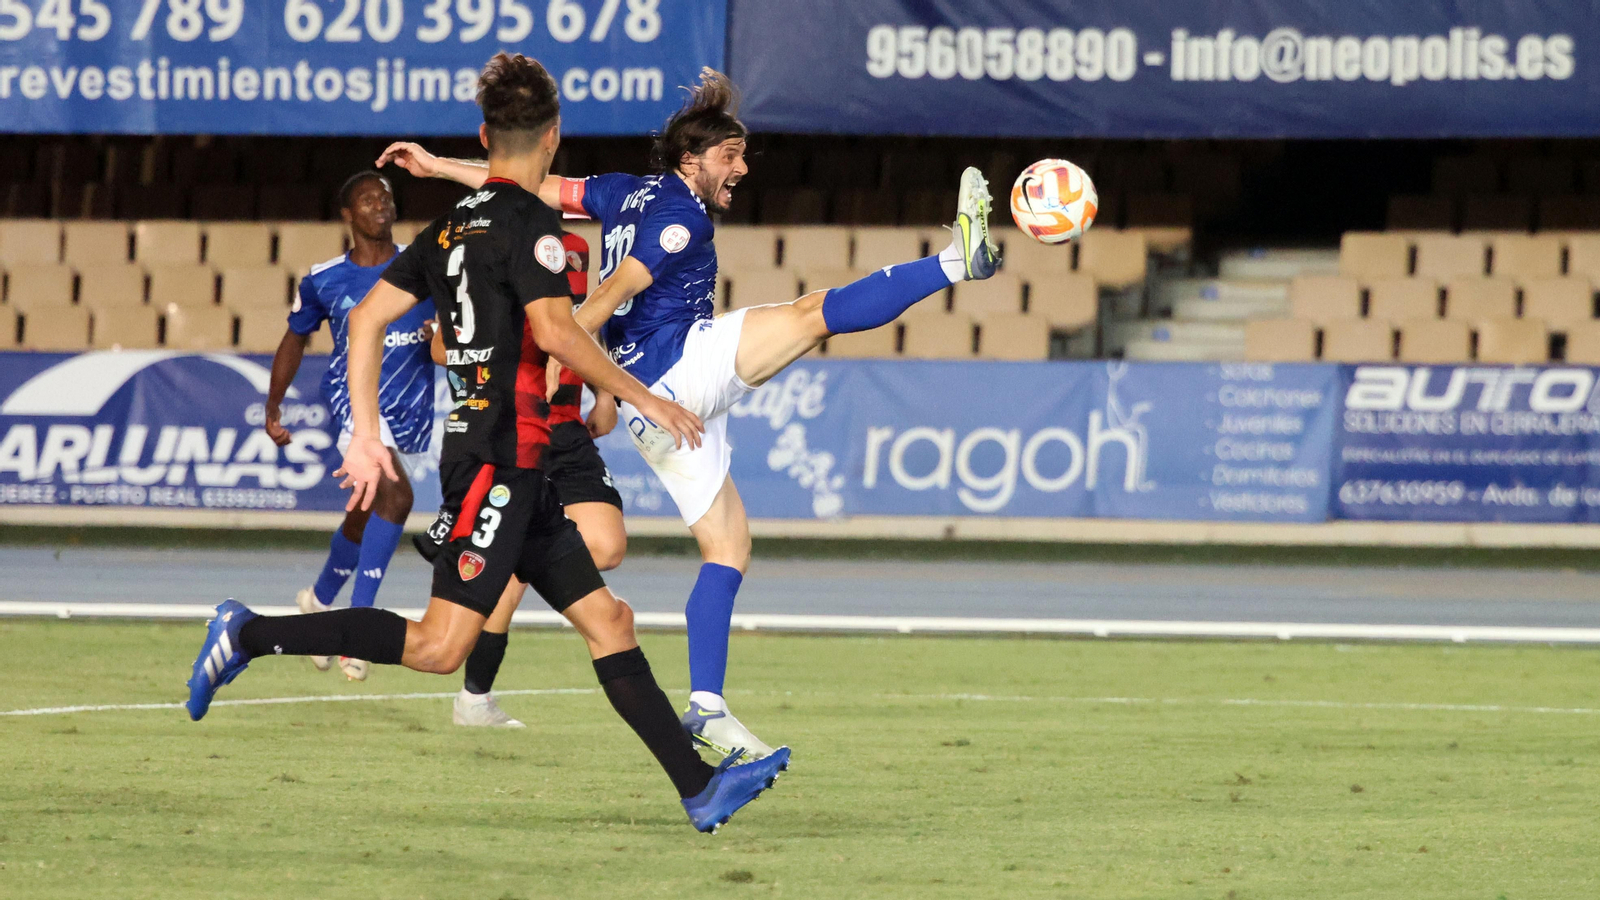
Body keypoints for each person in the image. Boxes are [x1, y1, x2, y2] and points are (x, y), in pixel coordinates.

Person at [185, 52, 789, 834]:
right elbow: (556, 333)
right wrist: (645, 399)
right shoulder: (536, 230)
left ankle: (700, 788)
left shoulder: (447, 228)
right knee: (439, 646)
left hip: (513, 464)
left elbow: (366, 321)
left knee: (611, 622)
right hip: (501, 470)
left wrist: (365, 437)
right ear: (554, 138)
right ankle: (246, 633)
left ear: (484, 134)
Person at [376, 70, 1000, 761]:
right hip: (677, 373)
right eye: (729, 156)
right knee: (811, 312)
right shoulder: (681, 217)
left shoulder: (621, 191)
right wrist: (568, 359)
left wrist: (437, 168)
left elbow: (528, 184)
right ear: (690, 160)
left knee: (728, 548)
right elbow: (613, 289)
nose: (740, 169)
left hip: (660, 413)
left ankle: (707, 705)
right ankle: (954, 260)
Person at [427, 231, 630, 728]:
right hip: (513, 430)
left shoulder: (576, 248)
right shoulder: (484, 250)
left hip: (567, 427)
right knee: (515, 569)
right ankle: (474, 700)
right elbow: (440, 345)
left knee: (605, 547)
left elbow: (587, 322)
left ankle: (514, 555)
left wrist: (605, 395)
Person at [264, 171, 435, 682]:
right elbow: (294, 338)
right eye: (367, 198)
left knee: (365, 513)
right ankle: (356, 630)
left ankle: (317, 601)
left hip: (411, 408)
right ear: (348, 215)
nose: (380, 204)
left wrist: (438, 336)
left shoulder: (422, 264)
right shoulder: (325, 278)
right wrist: (273, 406)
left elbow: (453, 326)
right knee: (395, 498)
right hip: (355, 407)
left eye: (385, 197)